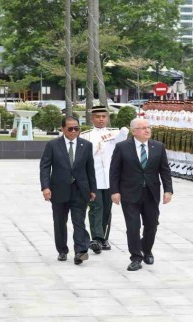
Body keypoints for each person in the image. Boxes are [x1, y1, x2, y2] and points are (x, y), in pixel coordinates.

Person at [109, 117, 174, 272]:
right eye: (143, 128)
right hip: (129, 193)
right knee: (133, 227)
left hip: (151, 193)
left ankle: (147, 250)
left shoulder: (158, 147)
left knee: (151, 225)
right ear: (134, 131)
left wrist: (168, 190)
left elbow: (164, 170)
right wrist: (114, 191)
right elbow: (114, 171)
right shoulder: (122, 147)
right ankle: (136, 257)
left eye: (148, 127)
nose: (147, 130)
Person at [40, 116, 97, 265]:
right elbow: (45, 167)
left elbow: (90, 169)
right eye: (70, 128)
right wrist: (45, 187)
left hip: (80, 190)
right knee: (60, 222)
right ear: (63, 129)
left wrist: (93, 189)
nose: (73, 131)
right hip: (59, 190)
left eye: (76, 128)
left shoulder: (87, 145)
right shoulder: (52, 145)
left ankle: (80, 251)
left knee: (79, 221)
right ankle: (62, 250)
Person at [81, 106, 128, 253]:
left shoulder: (114, 133)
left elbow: (123, 137)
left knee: (107, 209)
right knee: (96, 207)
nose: (101, 119)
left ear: (107, 118)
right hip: (93, 178)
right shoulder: (85, 135)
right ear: (92, 118)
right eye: (97, 117)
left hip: (110, 179)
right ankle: (96, 238)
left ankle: (104, 238)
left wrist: (125, 130)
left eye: (103, 116)